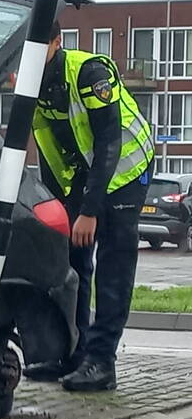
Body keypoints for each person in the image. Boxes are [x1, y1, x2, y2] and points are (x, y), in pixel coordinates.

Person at [25, 21, 155, 392]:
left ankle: (101, 363)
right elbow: (45, 145)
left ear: (55, 42)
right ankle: (71, 353)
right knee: (72, 260)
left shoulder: (89, 72)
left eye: (37, 44)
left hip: (127, 168)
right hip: (84, 173)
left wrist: (91, 210)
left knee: (113, 263)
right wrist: (58, 208)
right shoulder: (32, 84)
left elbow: (109, 142)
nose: (28, 54)